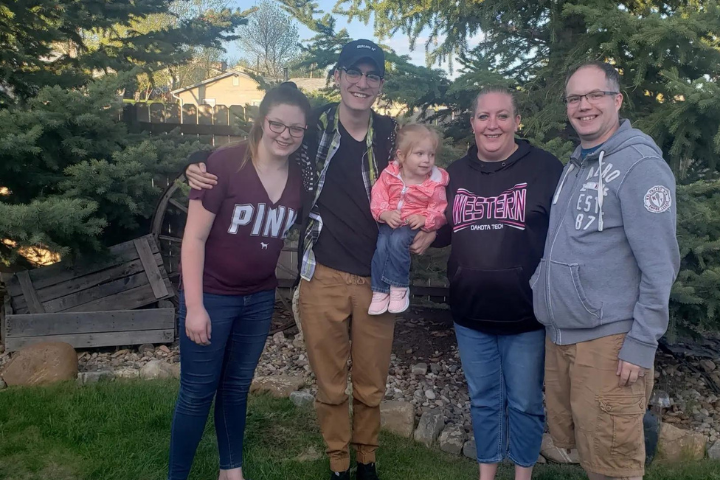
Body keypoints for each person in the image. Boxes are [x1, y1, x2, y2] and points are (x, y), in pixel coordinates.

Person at [185, 39, 435, 480]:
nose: (361, 82)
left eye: (371, 75)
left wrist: (434, 227)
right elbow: (259, 148)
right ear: (337, 77)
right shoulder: (311, 129)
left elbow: (431, 179)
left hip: (377, 280)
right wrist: (195, 161)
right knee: (331, 384)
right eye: (352, 73)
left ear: (379, 84)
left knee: (372, 385)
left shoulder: (393, 134)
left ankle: (366, 460)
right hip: (323, 276)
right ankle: (338, 463)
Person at [531, 61, 680, 480]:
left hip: (610, 343)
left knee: (613, 466)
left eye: (595, 95)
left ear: (616, 100)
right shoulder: (577, 163)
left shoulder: (639, 166)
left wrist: (641, 342)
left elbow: (660, 264)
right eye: (575, 98)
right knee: (589, 454)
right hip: (565, 337)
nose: (584, 105)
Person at [168, 83, 311, 480]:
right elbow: (193, 239)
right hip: (212, 297)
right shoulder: (224, 165)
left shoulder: (301, 177)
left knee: (235, 389)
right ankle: (176, 474)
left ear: (304, 132)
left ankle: (231, 470)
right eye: (277, 124)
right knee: (196, 394)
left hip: (259, 298)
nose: (285, 134)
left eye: (296, 129)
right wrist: (194, 307)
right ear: (261, 121)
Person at [433, 87, 564, 480]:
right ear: (472, 123)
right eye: (484, 116)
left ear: (517, 121)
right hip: (470, 314)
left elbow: (566, 236)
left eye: (502, 116)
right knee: (484, 400)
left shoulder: (545, 168)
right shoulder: (453, 174)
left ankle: (522, 475)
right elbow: (438, 229)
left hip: (525, 316)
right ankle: (486, 474)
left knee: (525, 402)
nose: (493, 125)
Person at [368, 124, 449, 315]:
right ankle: (379, 290)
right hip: (390, 222)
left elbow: (439, 211)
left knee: (396, 241)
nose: (426, 160)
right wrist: (384, 214)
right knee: (381, 246)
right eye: (419, 154)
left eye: (431, 155)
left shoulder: (434, 183)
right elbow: (378, 197)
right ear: (402, 156)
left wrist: (425, 220)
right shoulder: (389, 176)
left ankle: (399, 287)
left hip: (411, 225)